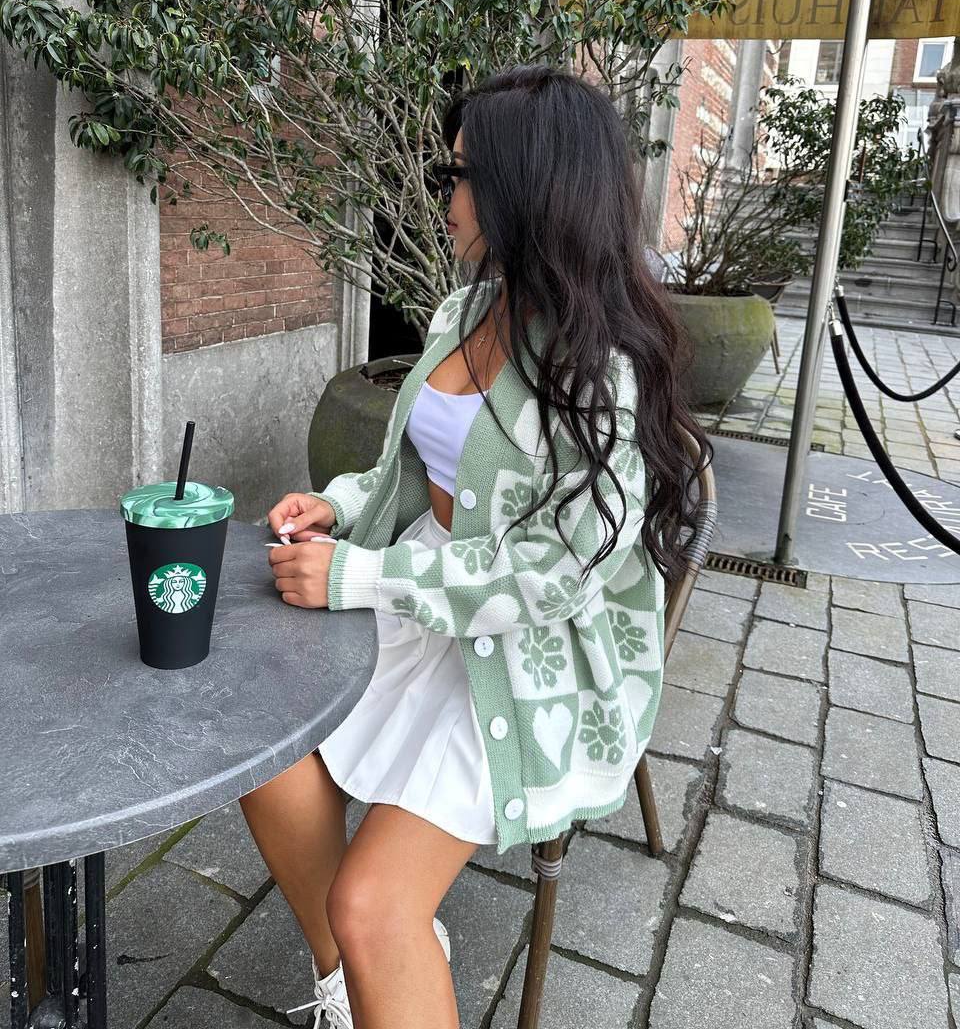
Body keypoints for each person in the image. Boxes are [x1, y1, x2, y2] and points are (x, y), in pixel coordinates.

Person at [239, 63, 712, 1029]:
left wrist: (359, 577)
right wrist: (339, 509)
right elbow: (410, 474)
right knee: (262, 753)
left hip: (531, 652)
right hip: (421, 589)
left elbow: (554, 576)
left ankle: (374, 942)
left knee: (373, 900)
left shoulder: (601, 371)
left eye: (460, 177)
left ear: (526, 195)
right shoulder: (466, 311)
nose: (444, 197)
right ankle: (354, 975)